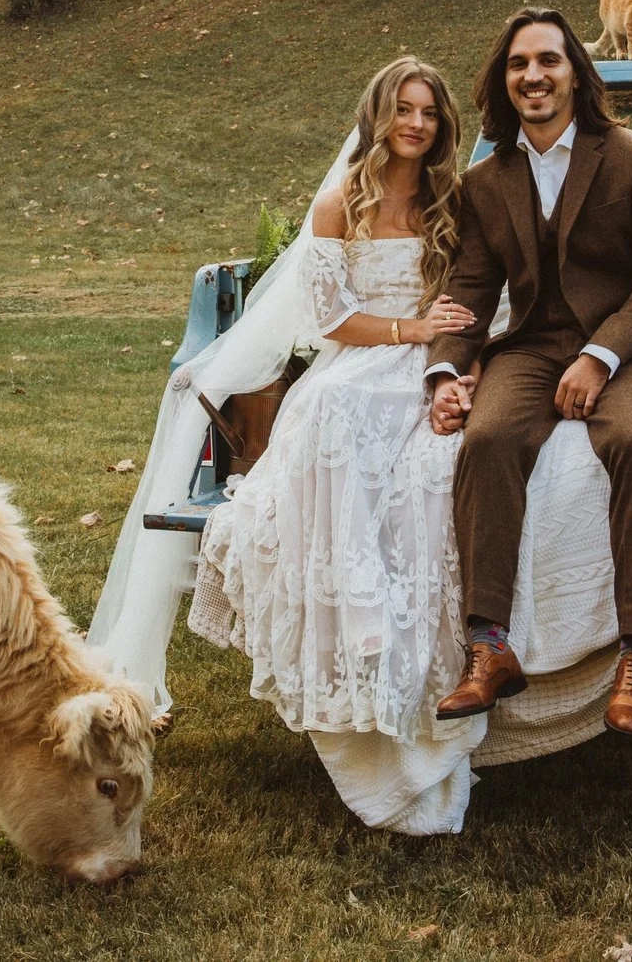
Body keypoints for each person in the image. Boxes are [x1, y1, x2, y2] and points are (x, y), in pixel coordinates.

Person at [186, 57, 486, 834]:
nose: (416, 123)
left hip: (430, 363)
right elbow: (330, 320)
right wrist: (409, 326)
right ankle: (358, 617)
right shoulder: (338, 203)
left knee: (434, 469)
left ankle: (430, 669)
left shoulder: (452, 201)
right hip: (361, 360)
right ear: (378, 115)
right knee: (333, 412)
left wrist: (448, 355)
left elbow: (477, 296)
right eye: (403, 109)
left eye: (429, 112)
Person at [426, 8, 632, 737]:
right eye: (519, 64)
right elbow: (471, 289)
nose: (534, 75)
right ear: (503, 81)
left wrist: (599, 356)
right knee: (486, 440)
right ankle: (488, 646)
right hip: (533, 344)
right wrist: (445, 373)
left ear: (576, 72)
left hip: (631, 345)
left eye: (548, 60)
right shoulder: (485, 181)